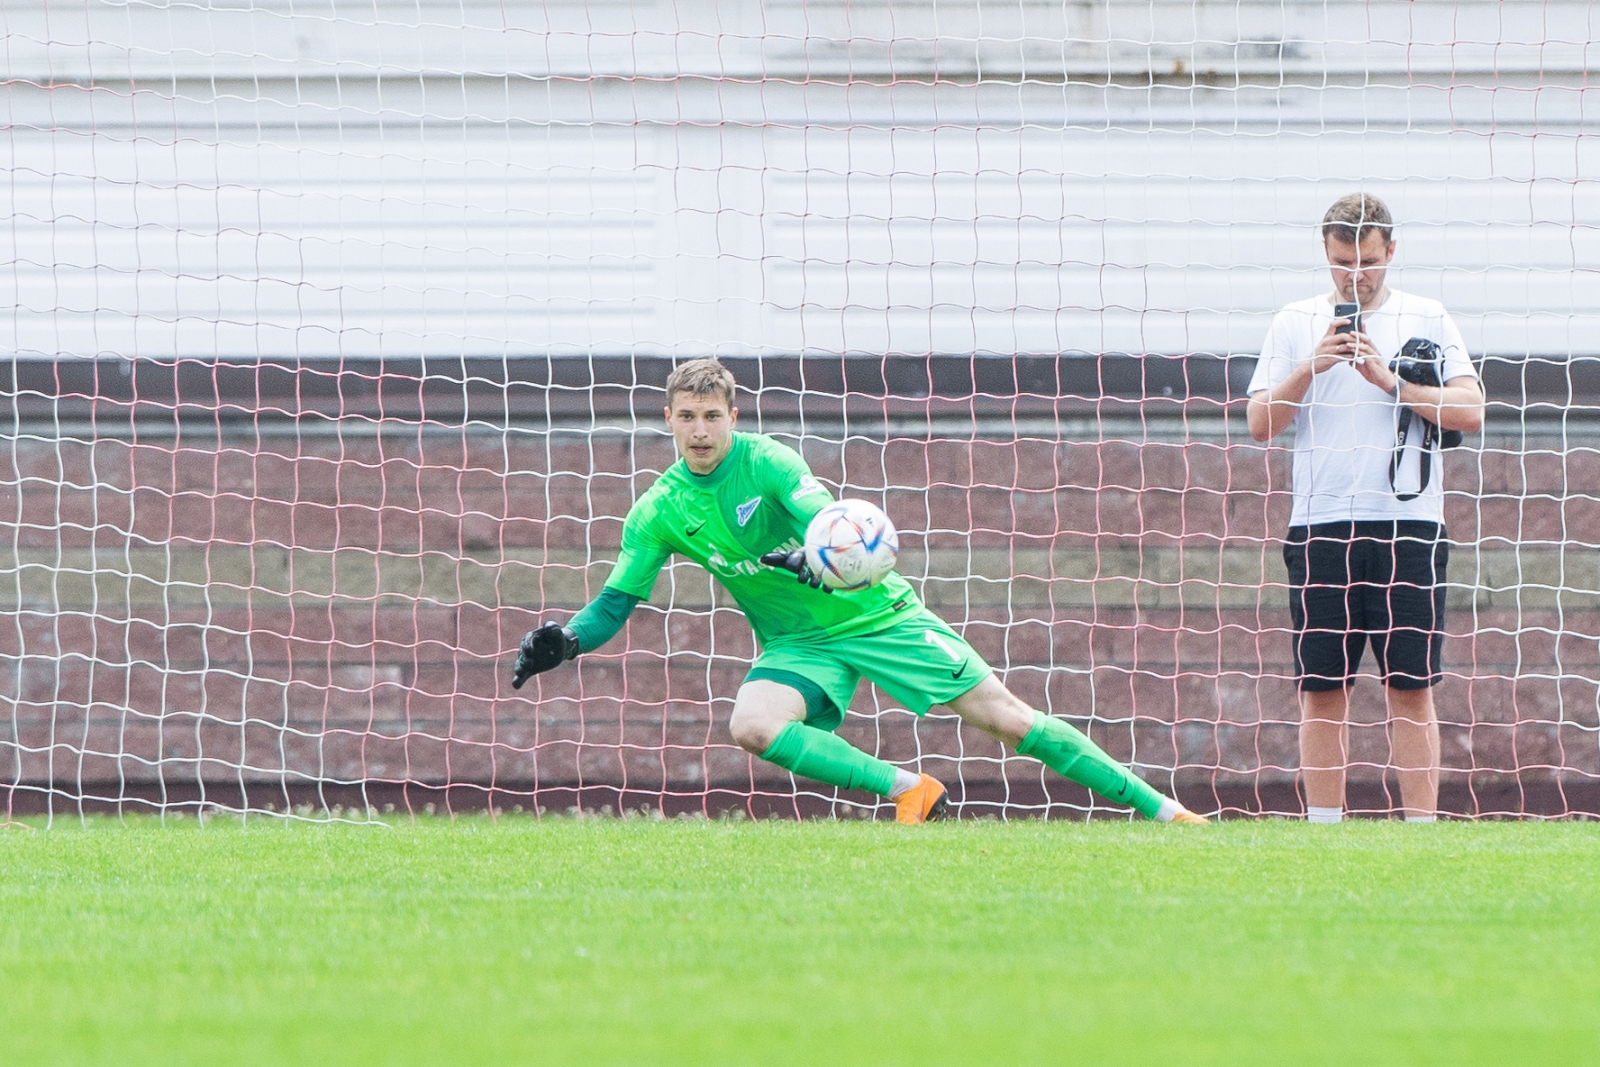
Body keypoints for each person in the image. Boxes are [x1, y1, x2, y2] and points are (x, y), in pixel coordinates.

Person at [513, 357, 1208, 825]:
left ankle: (1168, 815)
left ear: (733, 415)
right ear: (667, 418)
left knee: (1010, 720)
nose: (700, 430)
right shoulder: (659, 508)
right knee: (752, 723)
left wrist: (822, 552)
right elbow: (614, 605)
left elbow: (829, 513)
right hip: (798, 641)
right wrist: (567, 639)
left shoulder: (768, 462)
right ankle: (909, 789)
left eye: (712, 416)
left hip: (875, 613)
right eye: (687, 417)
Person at [1246, 193, 1485, 823]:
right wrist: (1310, 367)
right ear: (1324, 254)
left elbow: (1471, 410)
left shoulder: (1427, 315)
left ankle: (1421, 830)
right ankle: (1325, 831)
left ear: (1391, 252)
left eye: (1369, 261)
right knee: (1321, 690)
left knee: (1411, 687)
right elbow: (1259, 424)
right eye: (1343, 262)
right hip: (1320, 525)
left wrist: (1392, 382)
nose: (1356, 275)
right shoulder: (1295, 320)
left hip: (1410, 526)